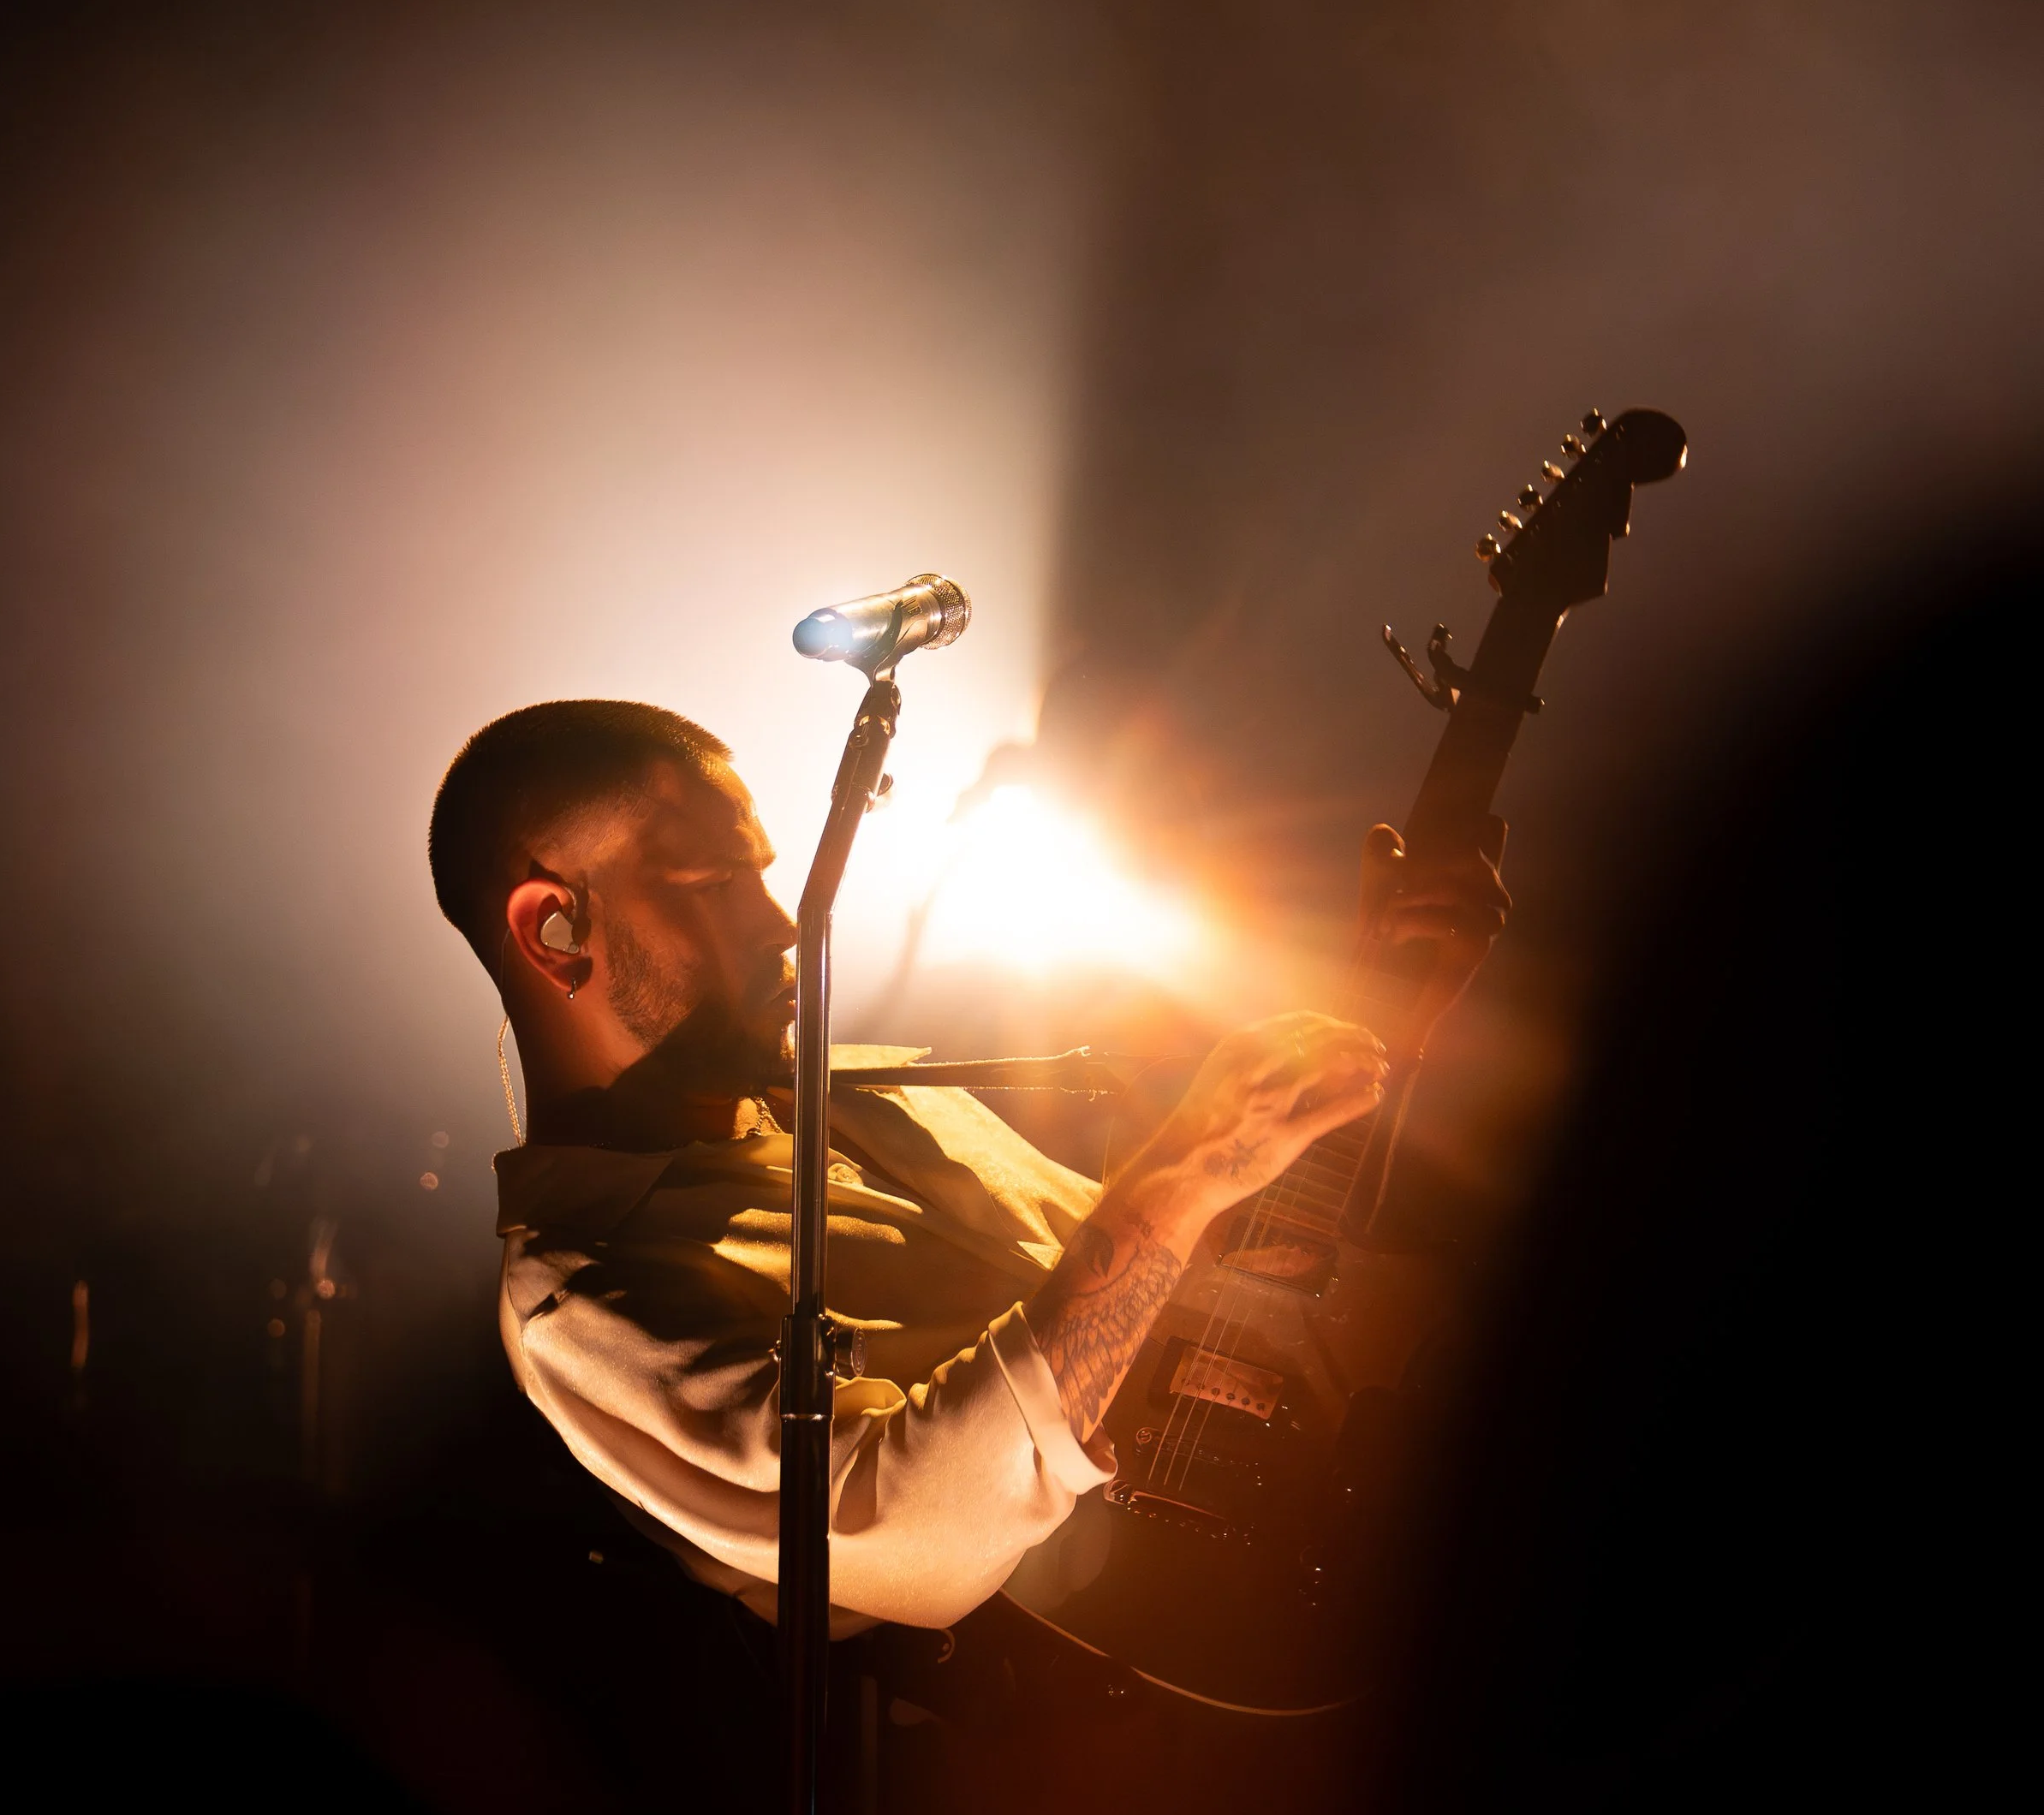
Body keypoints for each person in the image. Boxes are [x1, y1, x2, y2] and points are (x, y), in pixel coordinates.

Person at [427, 699, 1505, 1638]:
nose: (780, 926)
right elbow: (917, 1526)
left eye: (762, 877)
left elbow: (1181, 1286)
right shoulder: (580, 1300)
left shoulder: (859, 1090)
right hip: (1099, 1777)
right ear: (556, 927)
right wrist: (1178, 1171)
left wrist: (1383, 1018)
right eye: (713, 885)